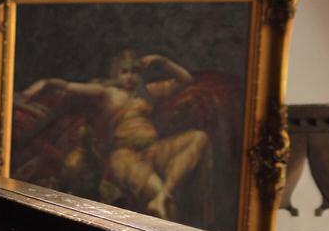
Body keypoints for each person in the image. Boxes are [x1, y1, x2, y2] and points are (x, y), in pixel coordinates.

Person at [16, 50, 210, 221]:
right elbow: (67, 86)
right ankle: (161, 203)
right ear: (115, 73)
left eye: (134, 72)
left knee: (199, 137)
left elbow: (187, 80)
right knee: (163, 202)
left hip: (153, 149)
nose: (130, 77)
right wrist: (44, 83)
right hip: (125, 156)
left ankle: (163, 196)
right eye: (124, 72)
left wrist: (163, 61)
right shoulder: (107, 92)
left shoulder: (146, 93)